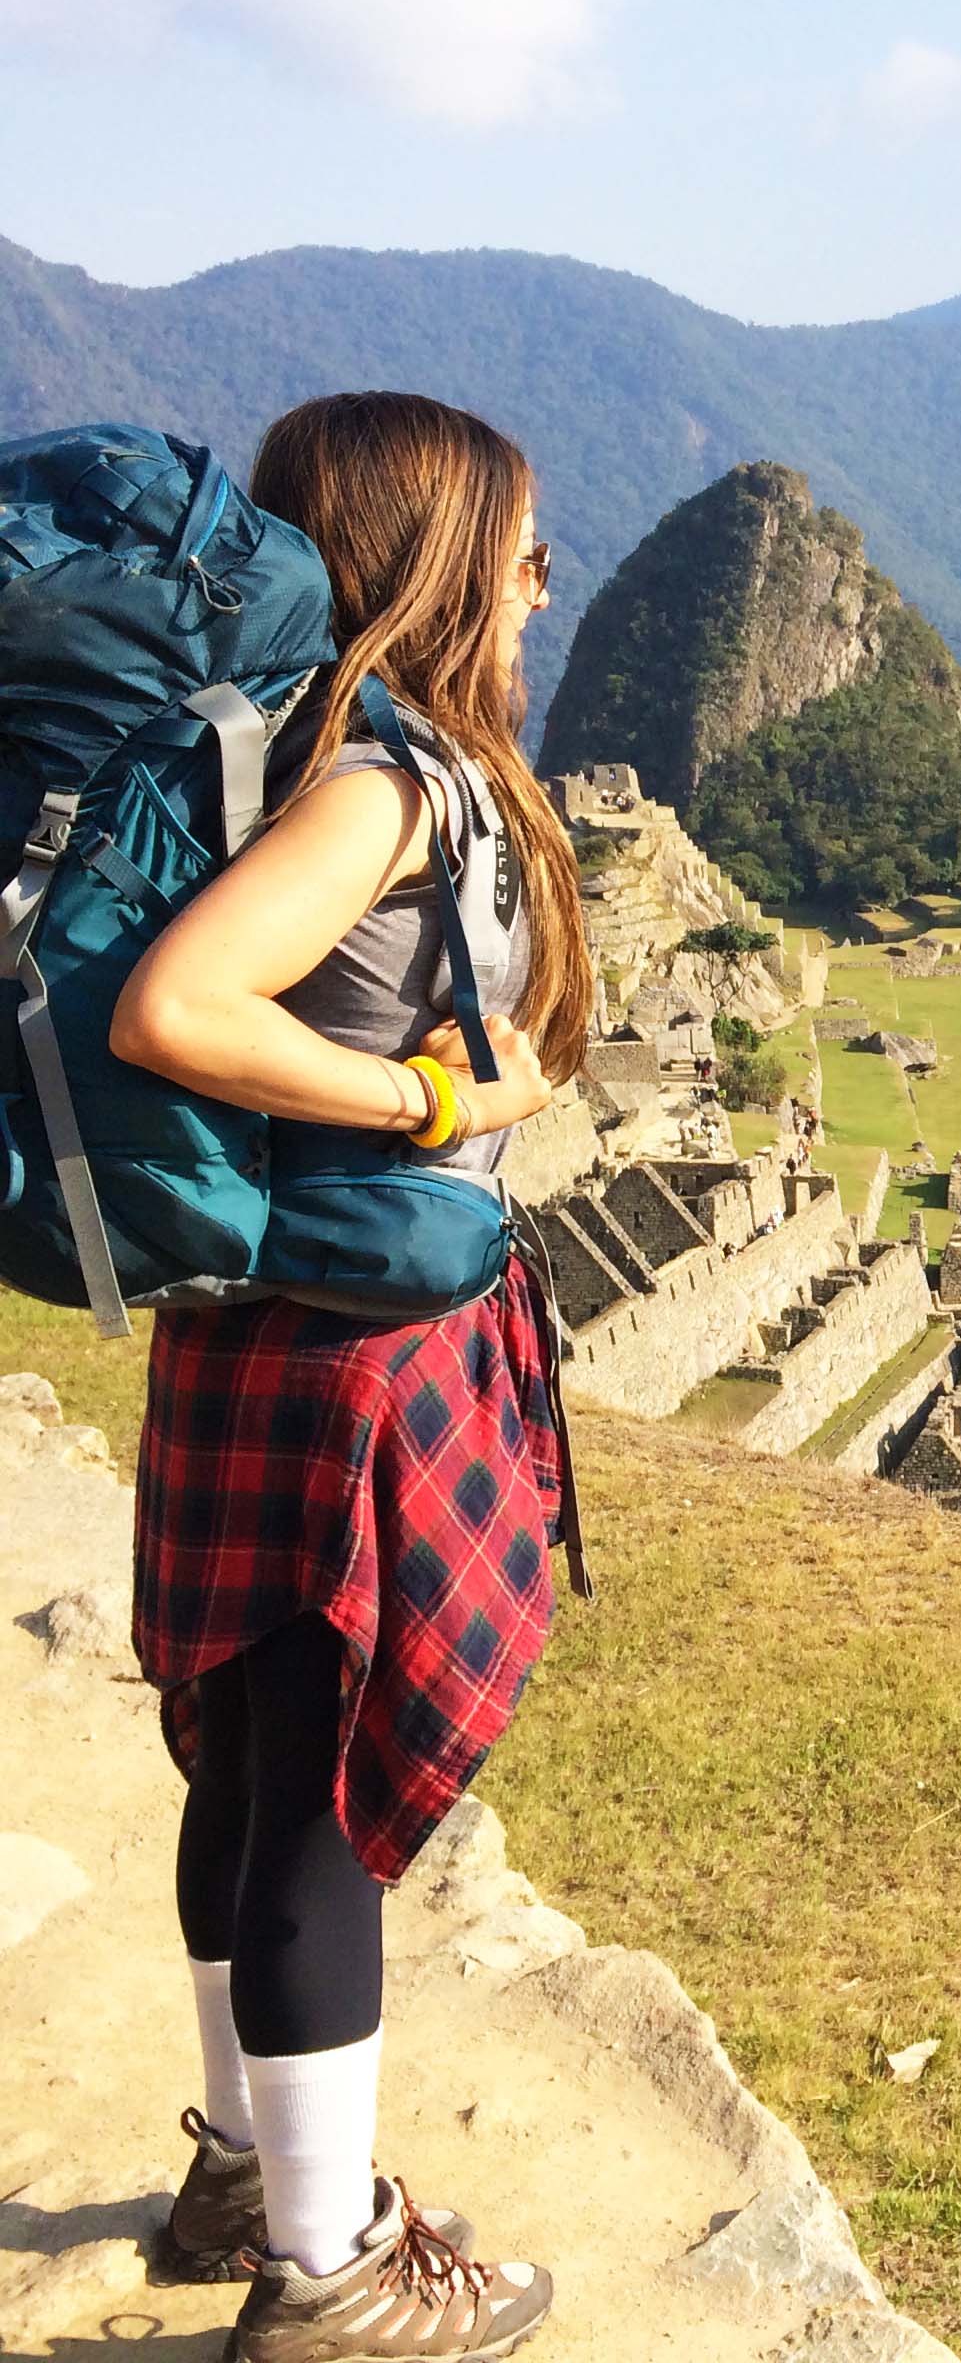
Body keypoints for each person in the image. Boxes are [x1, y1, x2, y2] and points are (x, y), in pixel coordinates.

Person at [110, 393, 586, 2361]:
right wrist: (433, 1093)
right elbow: (176, 1006)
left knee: (249, 1766)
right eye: (526, 549)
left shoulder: (299, 759)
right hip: (355, 1367)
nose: (549, 585)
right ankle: (326, 2269)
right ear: (443, 562)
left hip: (263, 1329)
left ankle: (249, 2163)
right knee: (316, 1802)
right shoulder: (391, 791)